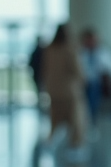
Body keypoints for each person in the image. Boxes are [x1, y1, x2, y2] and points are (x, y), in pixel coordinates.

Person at [43, 24, 88, 156]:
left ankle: (49, 141)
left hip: (53, 90)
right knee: (76, 120)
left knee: (54, 118)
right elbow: (77, 70)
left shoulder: (49, 49)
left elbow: (45, 69)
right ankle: (75, 147)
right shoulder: (70, 49)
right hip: (69, 91)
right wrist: (83, 80)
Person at [28, 35, 46, 108]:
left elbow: (30, 63)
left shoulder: (36, 51)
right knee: (42, 90)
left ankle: (41, 104)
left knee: (40, 90)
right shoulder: (43, 51)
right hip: (42, 74)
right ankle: (42, 104)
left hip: (38, 74)